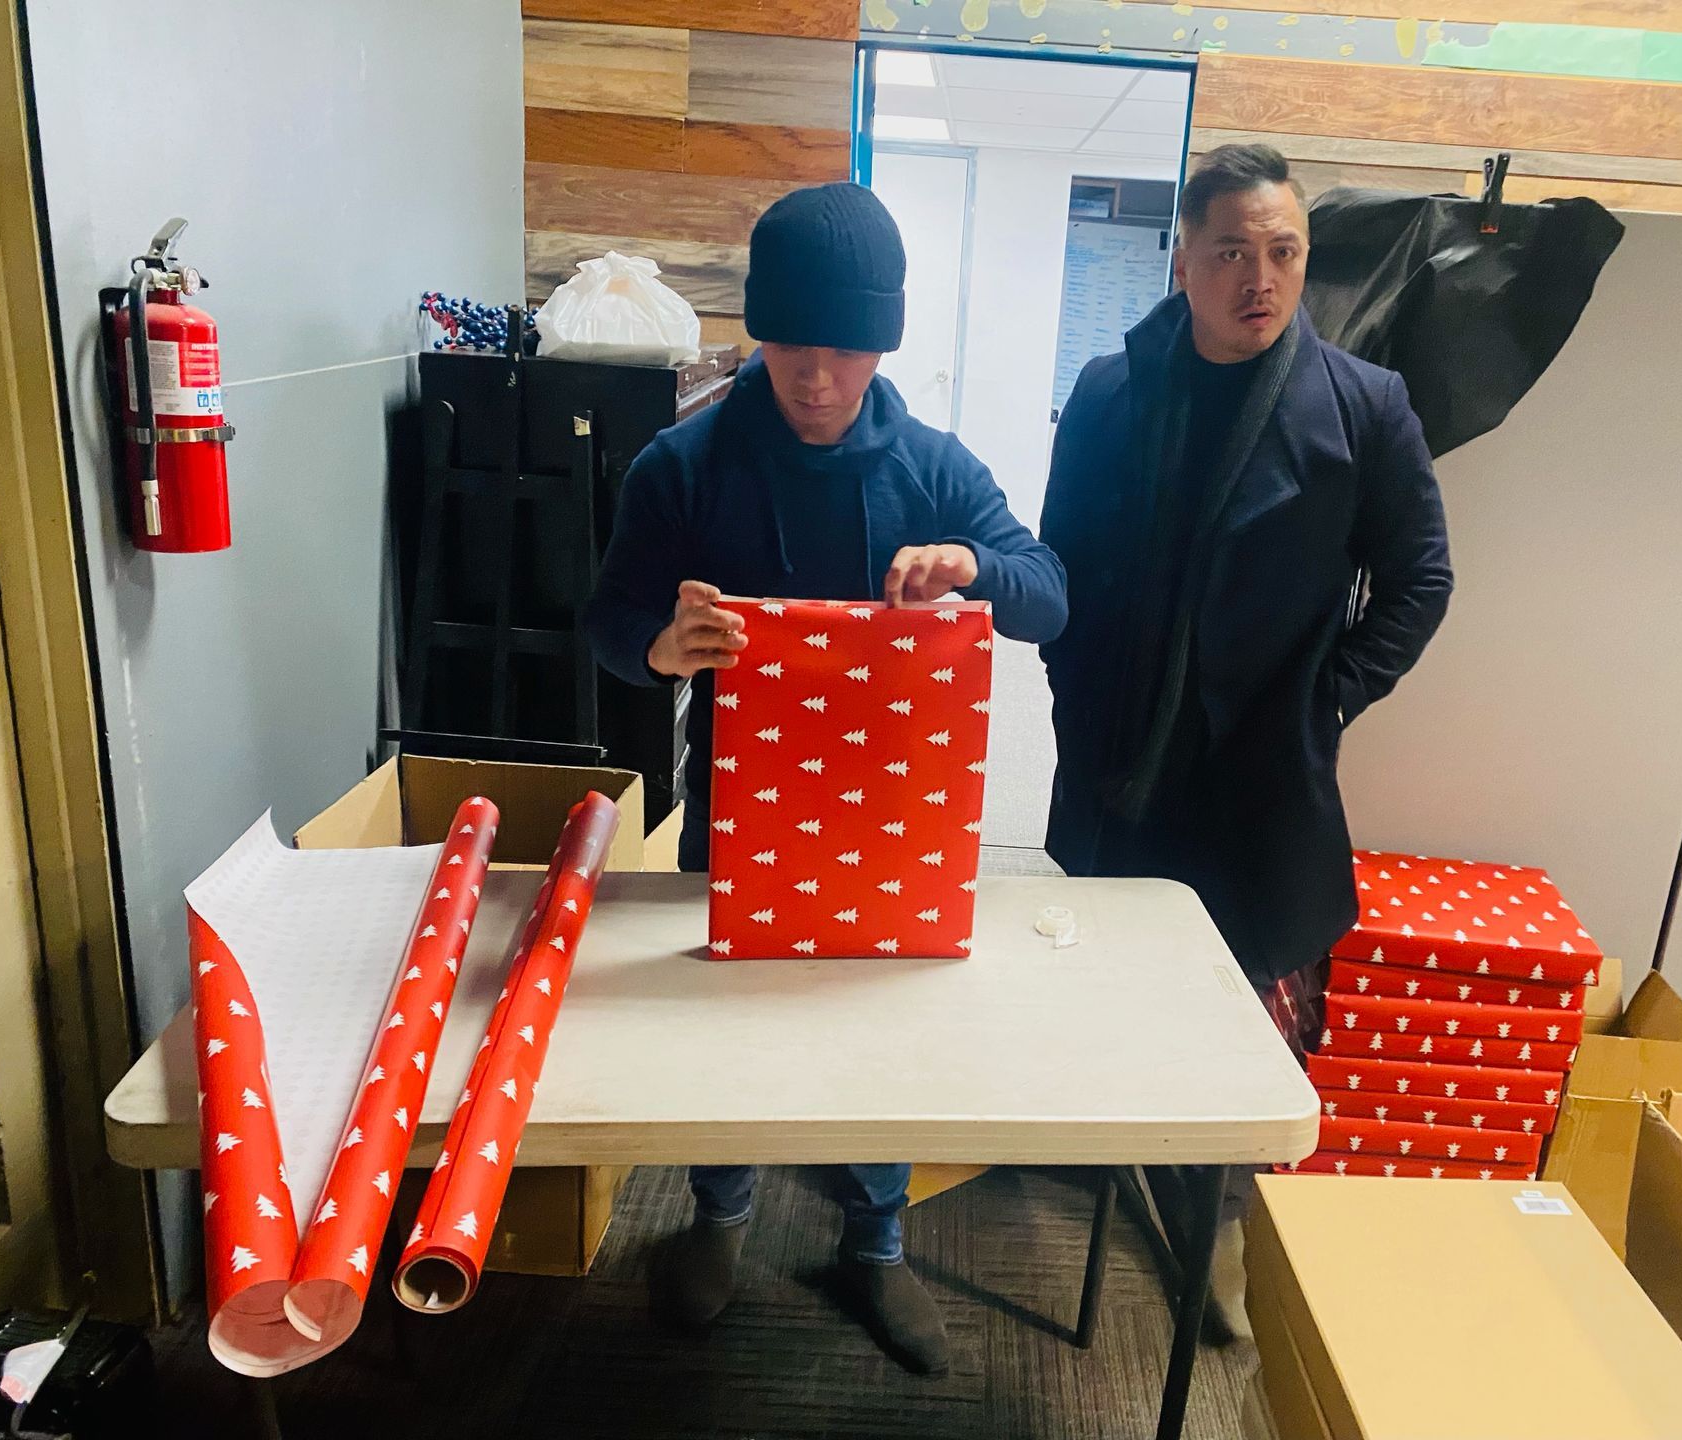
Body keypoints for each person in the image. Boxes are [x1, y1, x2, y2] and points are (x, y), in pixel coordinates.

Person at [584, 182, 1067, 1376]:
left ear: (884, 343)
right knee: (727, 1018)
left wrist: (973, 565)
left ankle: (878, 1240)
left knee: (882, 1024)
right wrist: (662, 647)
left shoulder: (934, 468)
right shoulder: (684, 464)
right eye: (794, 344)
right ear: (760, 331)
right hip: (740, 808)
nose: (816, 376)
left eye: (847, 349)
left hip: (899, 813)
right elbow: (604, 622)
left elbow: (1052, 593)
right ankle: (718, 1215)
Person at [1039, 145, 1453, 1332]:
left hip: (1263, 768)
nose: (1259, 279)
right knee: (1115, 972)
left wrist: (1330, 699)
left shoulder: (1365, 407)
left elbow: (1420, 581)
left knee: (1248, 996)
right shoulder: (1112, 391)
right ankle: (1110, 1148)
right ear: (1183, 262)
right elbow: (1060, 560)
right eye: (1231, 252)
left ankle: (1217, 1209)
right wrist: (1074, 684)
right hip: (1123, 754)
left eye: (1283, 252)